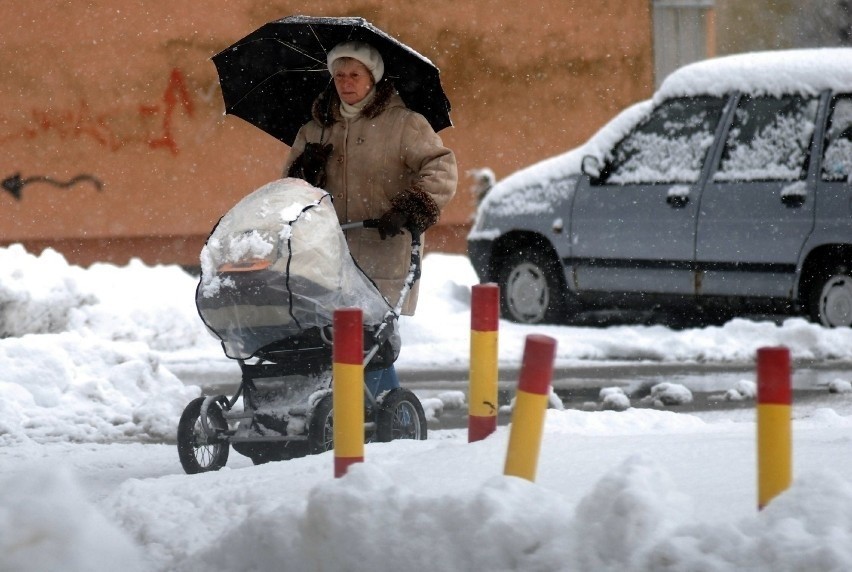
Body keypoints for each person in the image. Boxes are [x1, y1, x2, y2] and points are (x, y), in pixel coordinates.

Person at [283, 40, 458, 396]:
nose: (346, 82)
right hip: (327, 250)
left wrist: (410, 208)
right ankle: (336, 412)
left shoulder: (404, 124)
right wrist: (305, 170)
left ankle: (386, 417)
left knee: (371, 338)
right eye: (339, 75)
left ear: (372, 78)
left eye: (354, 75)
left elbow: (441, 168)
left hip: (384, 245)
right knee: (325, 337)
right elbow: (289, 190)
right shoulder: (314, 129)